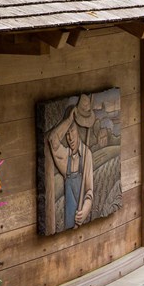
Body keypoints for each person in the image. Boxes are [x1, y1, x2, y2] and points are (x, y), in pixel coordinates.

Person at [48, 94, 95, 230]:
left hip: (82, 224)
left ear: (79, 131)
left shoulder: (87, 155)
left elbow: (89, 190)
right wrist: (69, 120)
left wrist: (85, 210)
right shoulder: (65, 156)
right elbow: (53, 141)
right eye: (66, 134)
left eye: (72, 131)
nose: (69, 138)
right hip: (68, 226)